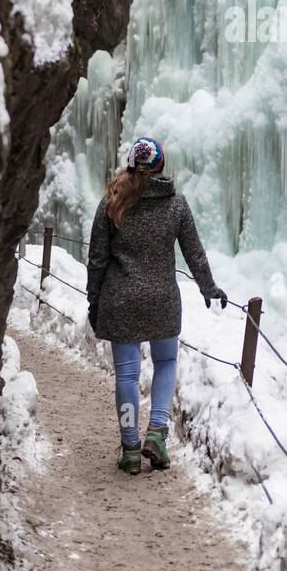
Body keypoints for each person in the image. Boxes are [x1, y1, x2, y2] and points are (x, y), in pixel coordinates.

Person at [86, 136, 226, 475]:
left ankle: (131, 448)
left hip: (121, 300)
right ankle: (157, 434)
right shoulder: (175, 204)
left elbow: (97, 259)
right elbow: (195, 252)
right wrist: (210, 288)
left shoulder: (112, 202)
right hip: (162, 299)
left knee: (128, 375)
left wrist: (95, 301)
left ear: (131, 165)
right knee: (165, 363)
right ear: (161, 166)